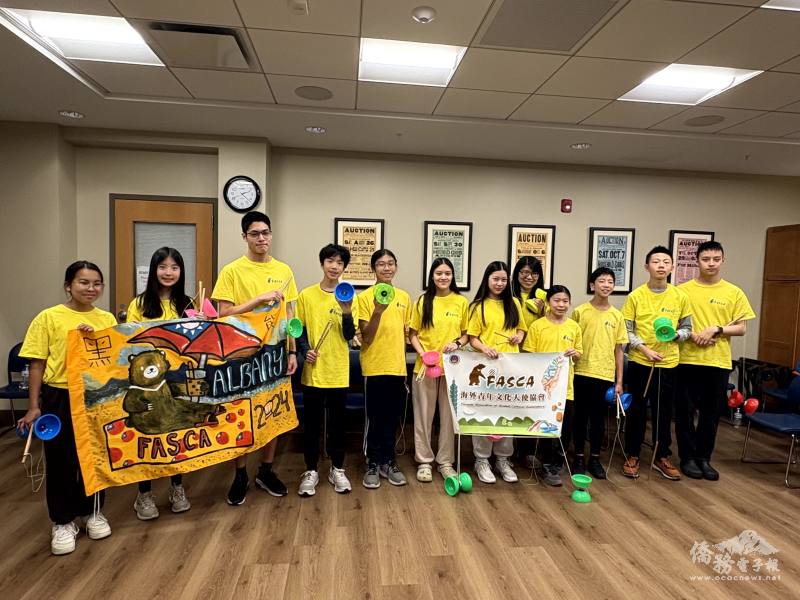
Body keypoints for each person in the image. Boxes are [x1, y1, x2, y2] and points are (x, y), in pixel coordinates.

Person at [17, 261, 117, 555]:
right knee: (61, 459)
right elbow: (37, 364)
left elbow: (114, 360)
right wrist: (34, 406)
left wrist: (94, 340)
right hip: (59, 394)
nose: (91, 288)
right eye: (84, 282)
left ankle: (92, 512)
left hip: (96, 396)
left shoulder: (106, 318)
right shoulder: (48, 318)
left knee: (96, 456)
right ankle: (62, 521)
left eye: (97, 283)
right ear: (68, 285)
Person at [211, 211, 298, 505]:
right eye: (255, 234)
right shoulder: (232, 271)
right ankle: (240, 474)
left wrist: (293, 351)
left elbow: (290, 317)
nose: (261, 238)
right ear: (245, 237)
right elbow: (221, 313)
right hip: (241, 354)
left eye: (265, 233)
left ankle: (266, 470)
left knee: (271, 412)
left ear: (271, 235)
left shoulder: (284, 270)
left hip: (274, 354)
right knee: (241, 414)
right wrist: (257, 300)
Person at [676, 241, 755, 481]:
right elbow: (672, 323)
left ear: (722, 260)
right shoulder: (682, 290)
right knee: (684, 412)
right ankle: (687, 458)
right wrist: (695, 335)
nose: (711, 263)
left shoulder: (734, 292)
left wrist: (716, 329)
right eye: (706, 259)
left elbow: (741, 328)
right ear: (697, 261)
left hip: (717, 361)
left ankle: (704, 458)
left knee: (711, 414)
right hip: (687, 359)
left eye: (716, 259)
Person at [126, 247, 194, 519]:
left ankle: (177, 487)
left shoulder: (188, 304)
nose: (169, 272)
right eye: (163, 267)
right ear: (154, 270)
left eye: (174, 267)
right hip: (148, 383)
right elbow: (129, 341)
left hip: (177, 381)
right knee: (150, 434)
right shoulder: (140, 304)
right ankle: (144, 494)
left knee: (175, 431)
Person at [621, 246, 692, 480]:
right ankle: (632, 454)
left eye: (665, 262)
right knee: (637, 411)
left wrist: (675, 336)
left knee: (663, 412)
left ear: (672, 267)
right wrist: (644, 348)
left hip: (669, 363)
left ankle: (662, 455)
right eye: (656, 262)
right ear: (646, 267)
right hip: (641, 362)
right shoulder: (636, 296)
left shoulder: (680, 296)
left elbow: (687, 329)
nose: (661, 265)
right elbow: (627, 331)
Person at [295, 244, 357, 496]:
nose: (334, 266)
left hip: (338, 372)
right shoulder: (306, 295)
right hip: (313, 372)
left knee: (337, 425)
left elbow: (350, 336)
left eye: (340, 263)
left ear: (344, 267)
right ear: (322, 264)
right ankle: (310, 470)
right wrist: (304, 349)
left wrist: (346, 311)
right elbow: (298, 329)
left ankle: (337, 469)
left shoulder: (349, 295)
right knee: (311, 425)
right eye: (330, 261)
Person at [408, 258, 468, 483]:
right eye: (439, 273)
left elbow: (466, 334)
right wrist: (423, 354)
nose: (443, 277)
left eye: (448, 273)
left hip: (452, 368)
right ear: (431, 276)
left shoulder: (461, 302)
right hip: (425, 367)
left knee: (448, 417)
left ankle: (445, 462)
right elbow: (412, 333)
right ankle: (424, 461)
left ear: (453, 276)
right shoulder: (423, 301)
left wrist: (458, 343)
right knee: (423, 416)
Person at [357, 249, 412, 489]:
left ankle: (388, 461)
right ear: (374, 269)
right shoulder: (364, 297)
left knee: (392, 417)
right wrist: (378, 310)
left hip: (397, 367)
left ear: (396, 267)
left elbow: (408, 335)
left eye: (391, 263)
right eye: (381, 264)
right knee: (375, 418)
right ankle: (372, 461)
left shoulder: (404, 297)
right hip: (374, 366)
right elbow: (366, 337)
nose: (386, 268)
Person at [467, 261, 526, 484]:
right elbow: (472, 338)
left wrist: (519, 337)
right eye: (495, 279)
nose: (499, 283)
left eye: (503, 279)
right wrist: (484, 348)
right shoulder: (477, 306)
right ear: (487, 280)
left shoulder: (515, 304)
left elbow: (521, 330)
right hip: (485, 369)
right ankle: (482, 459)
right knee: (484, 413)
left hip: (510, 369)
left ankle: (503, 459)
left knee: (507, 414)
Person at [522, 285, 583, 486]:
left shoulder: (574, 327)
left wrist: (575, 354)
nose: (561, 304)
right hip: (543, 389)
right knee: (546, 425)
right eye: (556, 300)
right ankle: (546, 464)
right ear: (548, 303)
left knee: (565, 427)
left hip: (566, 388)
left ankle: (557, 462)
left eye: (565, 301)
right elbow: (529, 356)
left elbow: (580, 354)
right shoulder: (537, 326)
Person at [570, 267, 626, 480]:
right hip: (580, 372)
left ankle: (594, 458)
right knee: (580, 417)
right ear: (592, 285)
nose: (606, 285)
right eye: (601, 281)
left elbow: (619, 350)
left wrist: (619, 381)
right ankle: (578, 457)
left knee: (599, 419)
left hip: (604, 374)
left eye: (610, 281)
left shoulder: (617, 315)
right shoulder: (580, 311)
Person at [511, 256, 547, 329]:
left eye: (534, 273)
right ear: (517, 273)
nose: (529, 277)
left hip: (535, 339)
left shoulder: (545, 299)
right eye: (525, 272)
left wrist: (541, 312)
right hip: (511, 339)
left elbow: (549, 327)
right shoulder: (508, 295)